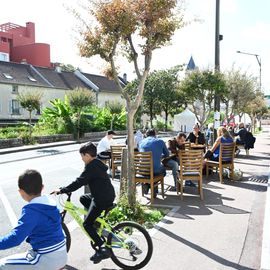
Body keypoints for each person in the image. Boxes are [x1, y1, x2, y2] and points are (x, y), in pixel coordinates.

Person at [52, 142, 115, 264]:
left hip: (102, 198)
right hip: (106, 195)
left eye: (82, 156)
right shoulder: (97, 163)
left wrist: (62, 190)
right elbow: (82, 180)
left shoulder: (91, 166)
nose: (81, 159)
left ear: (87, 155)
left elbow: (80, 181)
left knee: (87, 224)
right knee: (83, 198)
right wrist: (65, 188)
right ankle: (96, 221)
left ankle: (102, 248)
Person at [0, 169, 67, 270]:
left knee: (2, 265)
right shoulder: (50, 203)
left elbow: (15, 238)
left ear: (21, 192)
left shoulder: (31, 210)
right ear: (42, 187)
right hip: (62, 254)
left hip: (46, 258)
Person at [139, 129, 169, 196]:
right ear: (155, 134)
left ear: (146, 135)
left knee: (155, 169)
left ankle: (147, 184)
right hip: (154, 170)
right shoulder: (160, 141)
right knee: (162, 170)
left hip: (142, 170)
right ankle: (151, 186)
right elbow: (167, 154)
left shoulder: (141, 142)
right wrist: (159, 156)